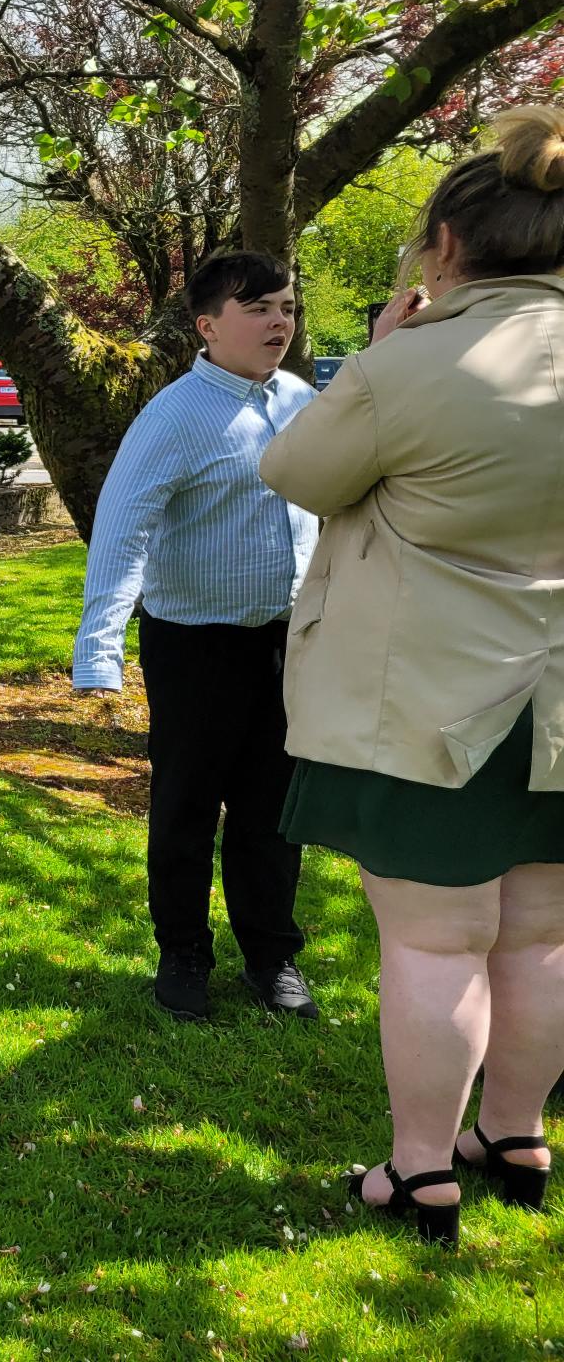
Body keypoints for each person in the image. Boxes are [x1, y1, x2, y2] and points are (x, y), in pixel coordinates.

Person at [261, 104, 564, 1248]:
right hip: (560, 709)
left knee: (436, 943)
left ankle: (422, 1170)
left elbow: (295, 468)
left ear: (444, 246)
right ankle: (520, 1135)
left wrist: (381, 357)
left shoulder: (415, 366)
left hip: (435, 701)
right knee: (544, 935)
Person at [71, 249, 320, 1023]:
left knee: (273, 808)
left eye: (285, 306)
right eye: (259, 309)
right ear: (208, 325)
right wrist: (99, 651)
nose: (278, 321)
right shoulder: (174, 415)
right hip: (194, 644)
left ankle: (271, 957)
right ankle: (182, 950)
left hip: (287, 642)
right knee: (186, 803)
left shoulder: (305, 403)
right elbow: (122, 530)